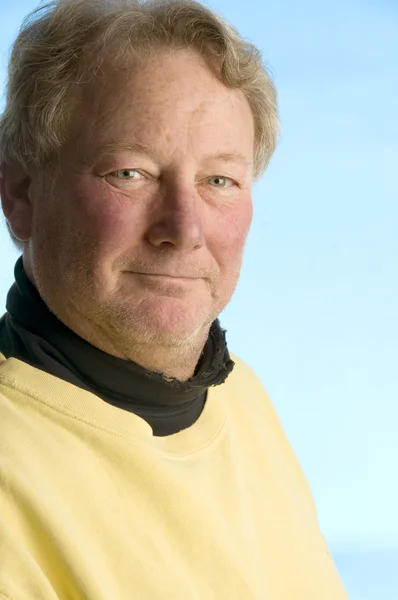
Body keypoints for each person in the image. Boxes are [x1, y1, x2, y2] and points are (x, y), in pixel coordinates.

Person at [0, 0, 348, 598]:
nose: (184, 228)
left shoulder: (240, 396)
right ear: (22, 194)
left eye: (219, 180)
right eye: (130, 173)